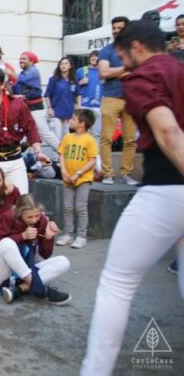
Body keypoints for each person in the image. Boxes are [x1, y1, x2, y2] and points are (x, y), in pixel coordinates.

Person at [82, 20, 184, 376]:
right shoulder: (179, 68)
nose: (121, 64)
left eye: (123, 55)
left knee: (116, 283)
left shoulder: (143, 78)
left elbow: (169, 132)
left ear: (137, 47)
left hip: (167, 189)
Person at [0, 68, 51, 194]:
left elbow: (31, 129)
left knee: (22, 201)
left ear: (2, 85)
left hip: (15, 161)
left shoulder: (18, 104)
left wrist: (38, 152)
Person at [0, 195, 71, 305]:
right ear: (19, 213)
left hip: (27, 270)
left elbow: (45, 255)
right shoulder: (9, 216)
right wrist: (22, 236)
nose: (34, 220)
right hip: (2, 275)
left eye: (37, 215)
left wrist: (48, 238)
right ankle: (40, 289)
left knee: (63, 262)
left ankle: (20, 289)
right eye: (29, 217)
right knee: (7, 243)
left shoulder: (42, 220)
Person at [98, 16, 138, 185]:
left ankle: (127, 173)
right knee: (106, 138)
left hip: (130, 98)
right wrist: (125, 69)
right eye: (114, 28)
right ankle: (108, 174)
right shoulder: (106, 50)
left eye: (119, 27)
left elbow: (138, 72)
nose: (116, 30)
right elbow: (103, 73)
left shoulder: (135, 49)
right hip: (110, 97)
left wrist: (115, 72)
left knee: (130, 139)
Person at [56, 109, 98, 249]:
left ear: (82, 123)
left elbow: (92, 160)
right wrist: (63, 170)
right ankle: (68, 234)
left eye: (74, 119)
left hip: (83, 179)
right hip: (67, 178)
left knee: (80, 207)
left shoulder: (90, 140)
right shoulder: (68, 137)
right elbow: (61, 154)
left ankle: (81, 236)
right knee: (67, 206)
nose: (71, 121)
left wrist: (78, 173)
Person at [12, 51, 60, 153]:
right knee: (25, 134)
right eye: (20, 58)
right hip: (27, 108)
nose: (21, 60)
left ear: (31, 61)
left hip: (35, 108)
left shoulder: (33, 71)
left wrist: (9, 73)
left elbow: (21, 79)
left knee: (44, 133)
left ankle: (64, 152)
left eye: (24, 58)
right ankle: (32, 158)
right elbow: (15, 88)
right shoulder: (23, 73)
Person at [75, 50, 103, 154]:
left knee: (97, 134)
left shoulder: (103, 72)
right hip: (84, 106)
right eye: (92, 56)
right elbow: (73, 87)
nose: (94, 58)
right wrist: (80, 82)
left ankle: (94, 158)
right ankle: (81, 155)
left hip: (99, 106)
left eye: (96, 56)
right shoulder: (82, 70)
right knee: (81, 131)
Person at [44, 57, 77, 140]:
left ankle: (65, 153)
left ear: (70, 66)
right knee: (57, 136)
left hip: (69, 112)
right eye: (61, 64)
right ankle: (56, 153)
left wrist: (78, 108)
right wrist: (49, 108)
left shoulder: (74, 80)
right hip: (56, 112)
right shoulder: (54, 79)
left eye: (66, 63)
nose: (63, 65)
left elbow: (78, 94)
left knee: (67, 137)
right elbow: (47, 95)